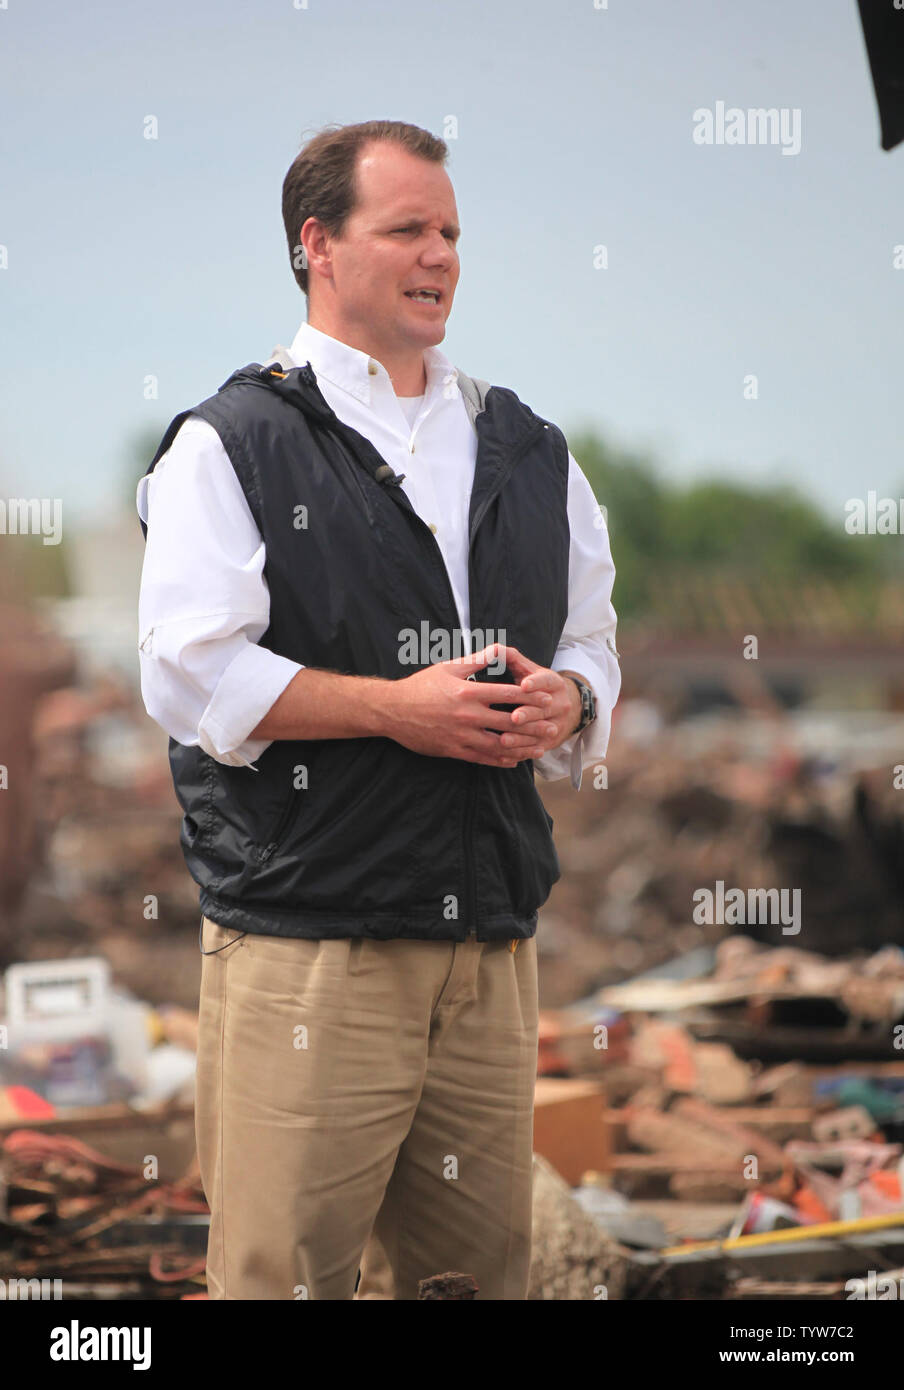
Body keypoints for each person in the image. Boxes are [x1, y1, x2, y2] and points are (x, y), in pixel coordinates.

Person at [136, 119, 620, 1300]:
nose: (440, 254)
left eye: (450, 231)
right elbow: (188, 673)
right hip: (312, 950)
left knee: (474, 1284)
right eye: (407, 227)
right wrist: (392, 711)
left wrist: (572, 699)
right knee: (284, 1281)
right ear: (319, 245)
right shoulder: (234, 442)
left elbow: (592, 640)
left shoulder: (530, 450)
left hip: (489, 948)